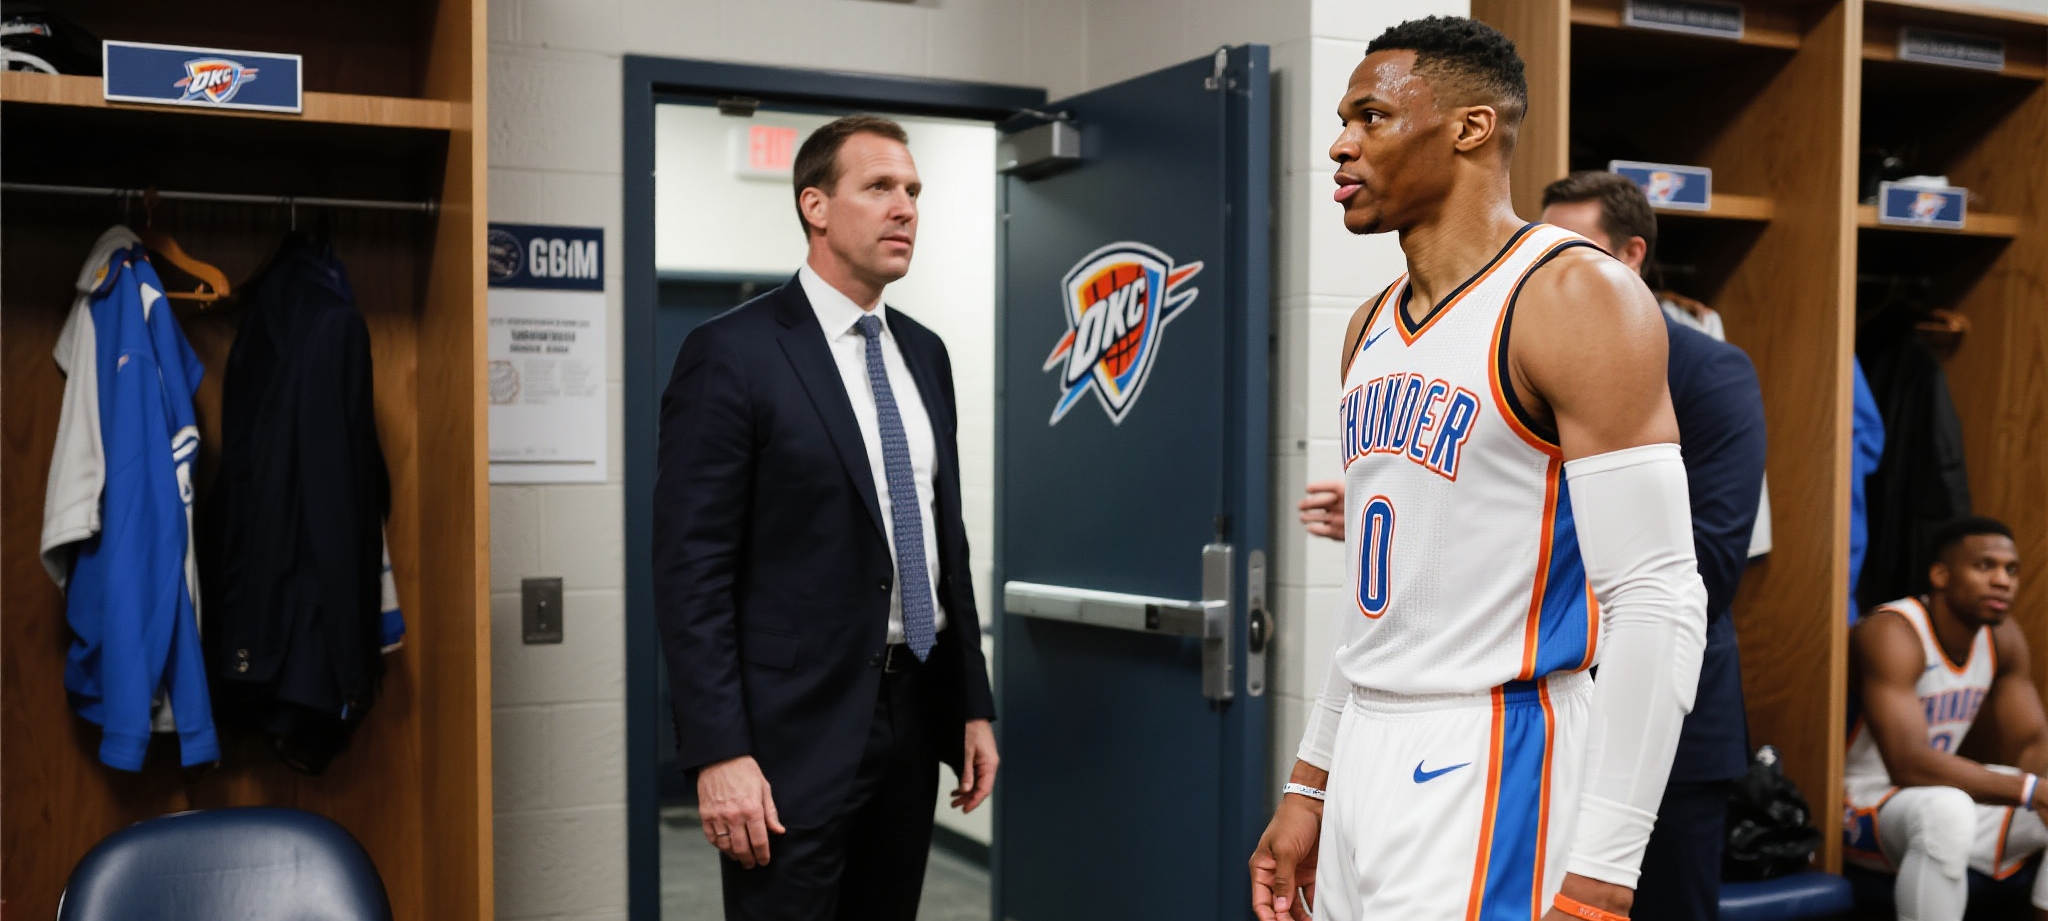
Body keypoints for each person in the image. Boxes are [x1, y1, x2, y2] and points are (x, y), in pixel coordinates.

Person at [1250, 17, 1708, 921]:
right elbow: (1376, 598)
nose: (1341, 144)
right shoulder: (1369, 323)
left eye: (1372, 116)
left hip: (1495, 745)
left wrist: (1605, 869)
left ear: (1470, 127)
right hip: (1369, 741)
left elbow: (1658, 595)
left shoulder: (1575, 295)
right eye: (1343, 121)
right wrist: (1311, 779)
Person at [1300, 169, 1768, 921]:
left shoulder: (1707, 368)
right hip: (1441, 715)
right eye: (1544, 236)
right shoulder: (1412, 324)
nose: (1549, 258)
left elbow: (1696, 566)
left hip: (1635, 709)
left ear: (1631, 256)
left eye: (1573, 245)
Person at [653, 114, 999, 921]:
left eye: (913, 190)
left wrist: (972, 702)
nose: (905, 207)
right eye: (879, 187)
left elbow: (944, 543)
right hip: (789, 737)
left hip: (913, 714)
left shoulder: (925, 352)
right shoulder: (733, 351)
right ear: (815, 204)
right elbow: (691, 570)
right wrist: (719, 750)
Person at [1844, 516, 2048, 920]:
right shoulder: (1893, 631)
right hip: (1861, 801)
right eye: (1985, 566)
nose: (2002, 581)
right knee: (1948, 810)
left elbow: (2030, 746)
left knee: (1951, 806)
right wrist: (2029, 791)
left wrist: (2038, 789)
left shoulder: (2003, 638)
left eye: (2011, 570)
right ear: (1940, 575)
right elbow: (1907, 763)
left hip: (1934, 795)